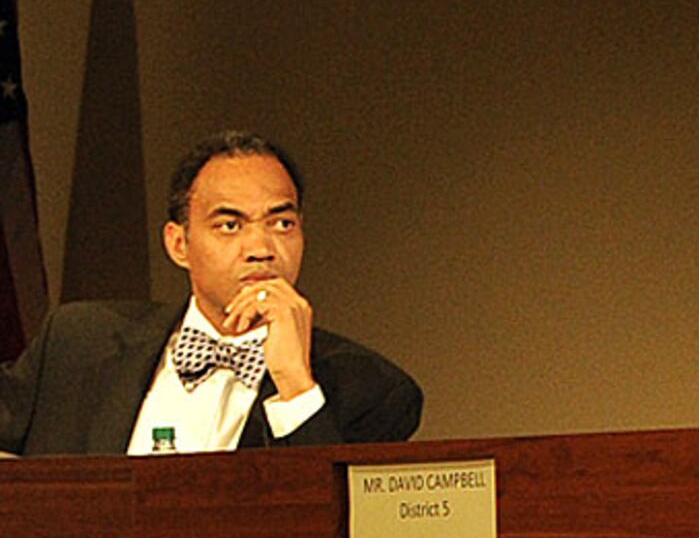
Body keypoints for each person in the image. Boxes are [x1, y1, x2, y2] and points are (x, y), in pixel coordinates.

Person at [0, 131, 420, 456]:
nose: (261, 249)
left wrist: (295, 384)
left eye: (282, 224)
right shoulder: (76, 342)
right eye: (230, 225)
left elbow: (336, 534)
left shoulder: (373, 391)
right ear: (178, 244)